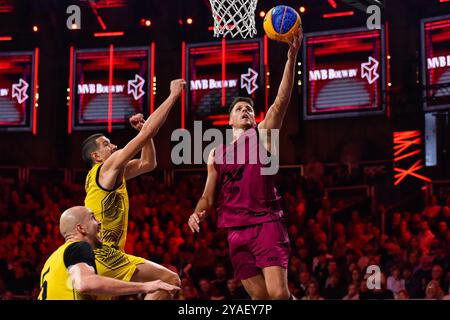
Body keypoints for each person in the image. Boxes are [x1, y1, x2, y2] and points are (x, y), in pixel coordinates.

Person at [187, 30, 303, 300]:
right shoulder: (216, 154)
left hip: (266, 223)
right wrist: (198, 212)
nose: (245, 111)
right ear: (229, 120)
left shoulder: (262, 136)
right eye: (239, 109)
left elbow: (280, 103)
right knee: (260, 300)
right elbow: (207, 196)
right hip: (235, 232)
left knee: (278, 295)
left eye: (249, 109)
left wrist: (291, 55)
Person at [82, 79, 185, 299]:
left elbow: (148, 164)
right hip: (105, 256)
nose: (115, 146)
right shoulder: (105, 167)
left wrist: (143, 132)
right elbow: (148, 133)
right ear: (96, 156)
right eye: (107, 144)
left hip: (96, 256)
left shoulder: (106, 176)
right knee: (170, 280)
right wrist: (173, 96)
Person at [37, 206, 179, 300]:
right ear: (81, 228)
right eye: (92, 218)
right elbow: (84, 283)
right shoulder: (78, 247)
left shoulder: (52, 259)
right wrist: (146, 286)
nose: (99, 223)